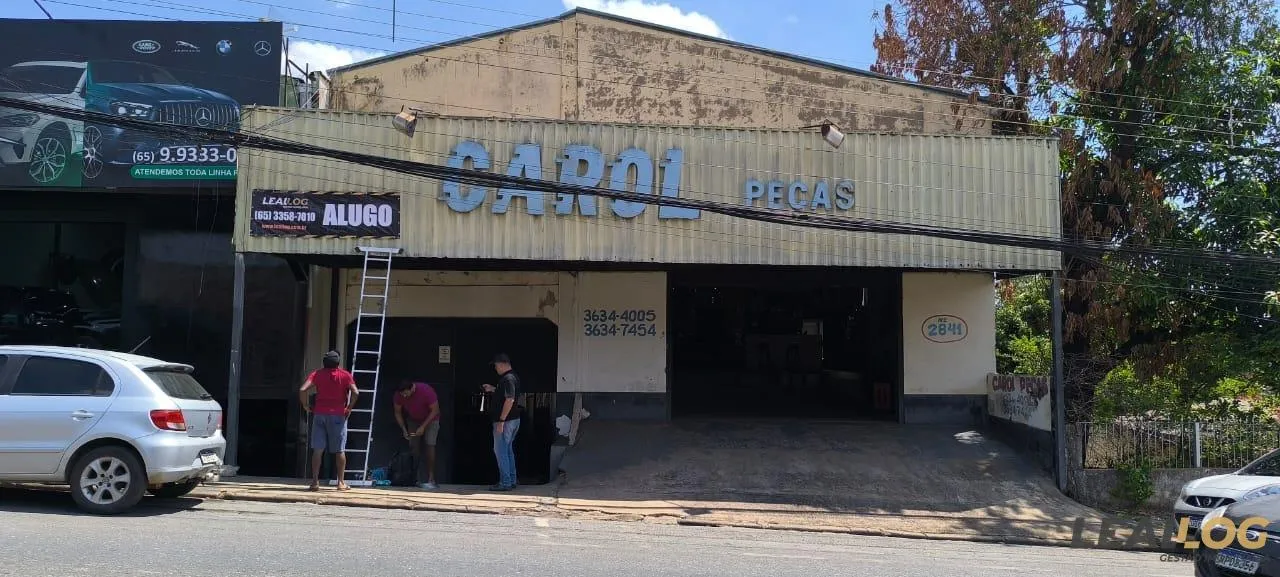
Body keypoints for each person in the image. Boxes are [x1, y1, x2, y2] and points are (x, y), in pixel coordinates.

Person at [300, 350, 358, 492]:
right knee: (339, 450)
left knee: (318, 450)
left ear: (324, 362)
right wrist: (349, 408)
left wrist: (305, 405)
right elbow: (356, 392)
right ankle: (341, 483)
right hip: (338, 415)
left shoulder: (317, 374)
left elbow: (302, 389)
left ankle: (314, 482)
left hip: (319, 414)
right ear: (338, 363)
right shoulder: (345, 375)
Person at [480, 353, 522, 491]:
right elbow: (506, 394)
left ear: (503, 364)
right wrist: (493, 389)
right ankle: (511, 479)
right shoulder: (512, 377)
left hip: (506, 421)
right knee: (507, 450)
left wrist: (501, 420)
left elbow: (509, 399)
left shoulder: (508, 379)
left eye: (496, 365)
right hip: (513, 420)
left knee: (501, 451)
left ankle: (505, 482)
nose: (496, 368)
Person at [392, 379, 441, 489]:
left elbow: (435, 410)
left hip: (431, 419)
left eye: (406, 393)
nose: (404, 396)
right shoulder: (398, 395)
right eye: (402, 394)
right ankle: (414, 478)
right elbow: (397, 412)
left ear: (412, 388)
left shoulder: (426, 391)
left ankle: (431, 478)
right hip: (413, 419)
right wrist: (404, 429)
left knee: (430, 444)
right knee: (413, 447)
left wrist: (423, 427)